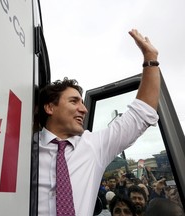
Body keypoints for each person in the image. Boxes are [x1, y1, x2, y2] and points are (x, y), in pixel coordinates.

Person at [38, 29, 160, 216]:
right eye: (73, 101)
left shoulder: (94, 146)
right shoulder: (23, 150)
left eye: (82, 102)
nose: (84, 109)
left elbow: (141, 115)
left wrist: (150, 59)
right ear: (50, 108)